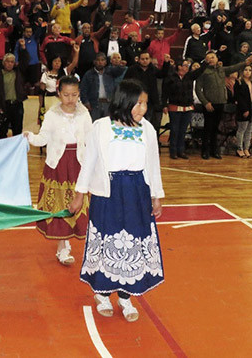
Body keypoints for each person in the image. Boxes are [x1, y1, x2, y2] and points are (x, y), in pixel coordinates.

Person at [70, 79, 164, 323]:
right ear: (124, 101)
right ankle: (102, 294)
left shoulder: (148, 129)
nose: (142, 108)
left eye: (145, 103)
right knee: (107, 241)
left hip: (137, 193)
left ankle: (126, 296)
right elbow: (89, 162)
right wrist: (79, 193)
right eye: (138, 103)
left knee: (131, 242)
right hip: (107, 194)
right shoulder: (101, 127)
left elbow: (153, 165)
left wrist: (156, 195)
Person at [25, 75, 92, 264]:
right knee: (60, 204)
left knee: (78, 203)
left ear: (79, 94)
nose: (70, 99)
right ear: (58, 93)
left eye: (74, 95)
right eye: (66, 95)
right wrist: (29, 136)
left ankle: (81, 239)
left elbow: (91, 138)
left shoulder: (84, 113)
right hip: (58, 165)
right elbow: (43, 138)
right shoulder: (52, 114)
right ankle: (62, 247)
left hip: (78, 164)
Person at [195, 51, 252, 159]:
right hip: (209, 104)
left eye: (213, 57)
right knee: (208, 128)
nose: (211, 59)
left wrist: (245, 63)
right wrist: (205, 102)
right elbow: (198, 89)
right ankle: (205, 151)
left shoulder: (221, 70)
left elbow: (233, 67)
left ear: (217, 59)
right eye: (209, 58)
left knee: (216, 128)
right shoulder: (203, 71)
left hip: (221, 103)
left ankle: (214, 150)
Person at [162, 59, 202, 159]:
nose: (187, 67)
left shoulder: (189, 77)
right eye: (185, 65)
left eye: (187, 65)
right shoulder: (170, 78)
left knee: (183, 130)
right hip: (174, 107)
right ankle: (173, 151)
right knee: (175, 130)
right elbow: (164, 93)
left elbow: (199, 71)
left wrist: (205, 62)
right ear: (179, 66)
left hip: (187, 107)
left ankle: (181, 151)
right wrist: (164, 105)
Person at [125, 52, 170, 132]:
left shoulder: (152, 69)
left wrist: (166, 63)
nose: (145, 61)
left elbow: (162, 74)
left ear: (150, 60)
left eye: (147, 59)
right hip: (135, 101)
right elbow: (125, 83)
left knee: (149, 124)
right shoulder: (132, 69)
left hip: (150, 102)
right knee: (136, 122)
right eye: (142, 59)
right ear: (138, 60)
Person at [0, 53, 30, 138]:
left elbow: (25, 62)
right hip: (4, 106)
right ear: (4, 63)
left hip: (17, 105)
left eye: (12, 62)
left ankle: (16, 150)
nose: (10, 64)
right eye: (8, 62)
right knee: (3, 131)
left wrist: (23, 50)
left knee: (17, 130)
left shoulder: (18, 73)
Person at [80, 53, 126, 120]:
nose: (100, 62)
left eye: (102, 60)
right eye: (98, 60)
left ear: (105, 62)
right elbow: (83, 89)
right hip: (94, 104)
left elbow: (119, 71)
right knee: (94, 125)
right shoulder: (88, 74)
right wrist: (86, 102)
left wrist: (121, 66)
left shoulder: (110, 71)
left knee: (108, 125)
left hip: (108, 104)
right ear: (94, 62)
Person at [234, 63, 252, 158]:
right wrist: (245, 109)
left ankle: (246, 148)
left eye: (250, 70)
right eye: (246, 70)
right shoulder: (238, 83)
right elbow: (239, 98)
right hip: (244, 108)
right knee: (242, 129)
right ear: (242, 72)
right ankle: (239, 148)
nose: (248, 72)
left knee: (249, 130)